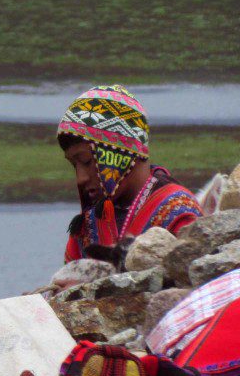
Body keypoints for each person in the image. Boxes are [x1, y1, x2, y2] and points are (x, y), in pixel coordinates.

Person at [57, 84, 202, 265]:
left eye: (87, 161)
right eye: (74, 165)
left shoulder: (179, 211)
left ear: (119, 154)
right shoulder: (89, 224)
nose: (81, 178)